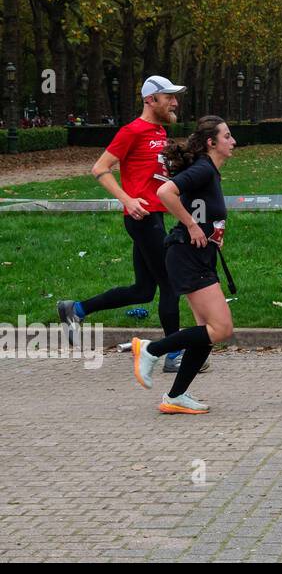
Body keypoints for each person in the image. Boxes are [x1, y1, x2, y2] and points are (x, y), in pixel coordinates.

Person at [59, 76, 197, 375]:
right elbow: (100, 168)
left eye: (175, 97)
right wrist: (127, 199)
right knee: (171, 283)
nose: (175, 102)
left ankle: (76, 309)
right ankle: (174, 354)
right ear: (150, 100)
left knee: (144, 291)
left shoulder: (159, 131)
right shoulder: (132, 130)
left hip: (154, 216)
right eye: (169, 97)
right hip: (142, 218)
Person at [130, 116, 237, 414]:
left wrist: (212, 231)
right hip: (186, 255)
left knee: (206, 332)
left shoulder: (209, 171)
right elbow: (165, 193)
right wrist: (191, 225)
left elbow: (198, 206)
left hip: (197, 254)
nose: (233, 142)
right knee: (222, 327)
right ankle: (151, 349)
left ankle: (176, 397)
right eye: (227, 136)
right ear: (210, 143)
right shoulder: (204, 168)